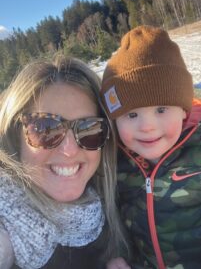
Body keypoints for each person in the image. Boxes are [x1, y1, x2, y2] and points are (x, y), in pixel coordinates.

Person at [101, 25, 201, 269]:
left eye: (161, 110)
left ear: (183, 110)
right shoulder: (118, 162)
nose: (147, 126)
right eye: (132, 115)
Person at [0, 55, 129, 269]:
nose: (69, 150)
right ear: (14, 137)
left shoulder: (118, 198)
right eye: (45, 128)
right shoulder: (7, 227)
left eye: (89, 129)